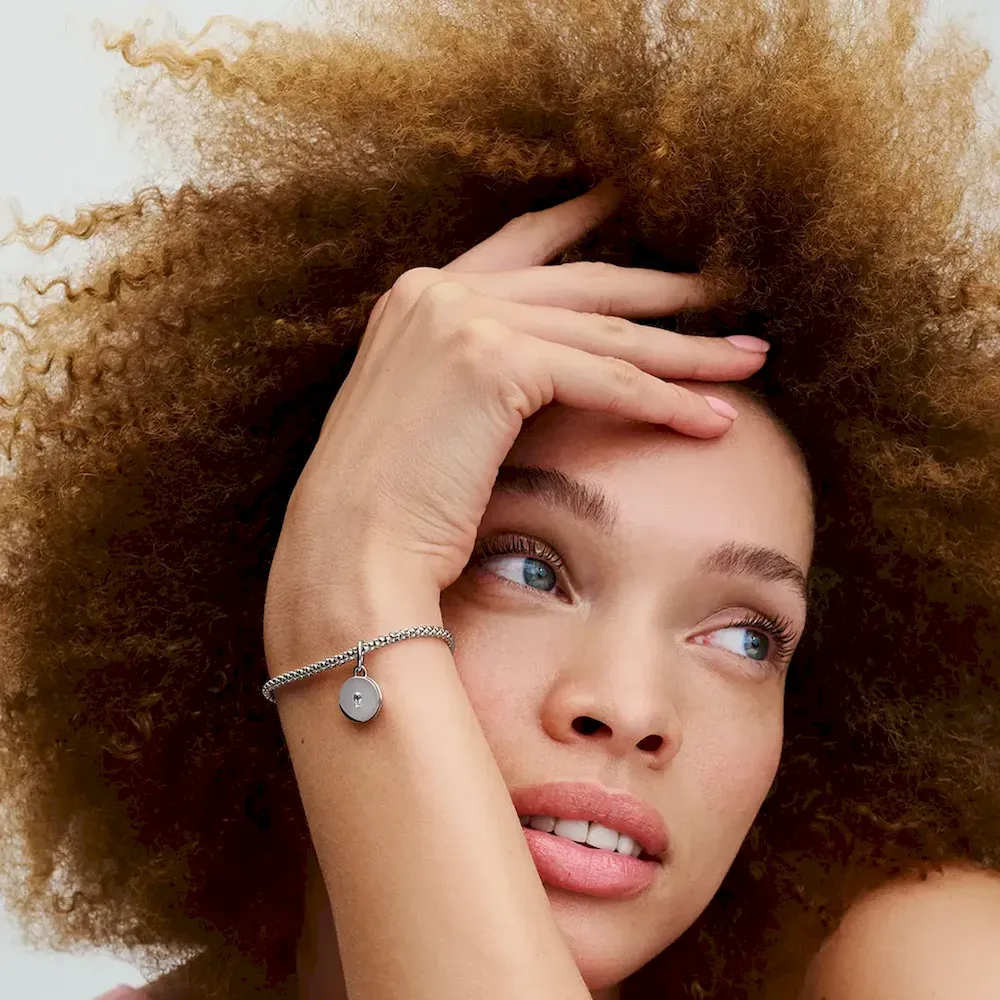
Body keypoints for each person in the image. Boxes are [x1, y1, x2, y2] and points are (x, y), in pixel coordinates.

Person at [3, 1, 1000, 998]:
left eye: (747, 638)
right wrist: (354, 569)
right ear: (268, 571)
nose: (629, 708)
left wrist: (348, 597)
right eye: (527, 567)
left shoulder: (932, 959)